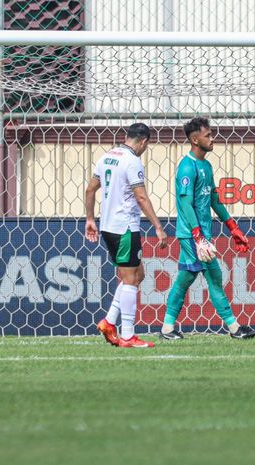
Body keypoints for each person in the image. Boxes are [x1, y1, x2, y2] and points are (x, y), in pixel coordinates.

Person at [160, 117, 255, 340]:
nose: (212, 138)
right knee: (214, 275)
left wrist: (232, 226)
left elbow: (214, 199)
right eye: (208, 135)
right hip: (191, 235)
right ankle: (234, 329)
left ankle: (167, 328)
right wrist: (197, 235)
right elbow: (185, 203)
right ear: (195, 140)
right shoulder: (187, 166)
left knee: (185, 278)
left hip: (201, 235)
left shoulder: (206, 165)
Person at [85, 122, 169, 348]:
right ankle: (129, 335)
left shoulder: (106, 157)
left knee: (136, 274)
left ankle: (109, 322)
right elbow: (141, 197)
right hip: (125, 228)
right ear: (144, 142)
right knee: (131, 279)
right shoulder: (132, 161)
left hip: (108, 227)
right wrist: (158, 227)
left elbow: (90, 189)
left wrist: (90, 219)